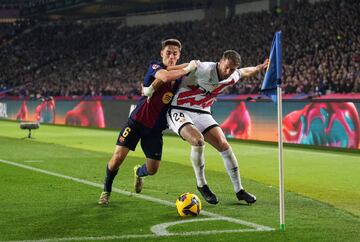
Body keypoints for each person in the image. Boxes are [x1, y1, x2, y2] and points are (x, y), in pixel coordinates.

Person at [145, 50, 268, 204]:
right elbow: (170, 72)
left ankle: (239, 190)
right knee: (198, 141)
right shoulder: (203, 68)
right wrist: (149, 88)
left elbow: (244, 72)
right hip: (179, 109)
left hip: (202, 111)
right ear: (221, 61)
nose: (228, 72)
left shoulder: (232, 75)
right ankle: (202, 184)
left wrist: (260, 67)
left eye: (232, 69)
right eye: (227, 67)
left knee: (224, 145)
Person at [98, 39, 198, 205]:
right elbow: (165, 75)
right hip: (136, 123)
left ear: (179, 55)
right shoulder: (154, 67)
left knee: (152, 169)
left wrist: (193, 65)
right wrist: (188, 67)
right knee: (117, 158)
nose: (171, 56)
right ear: (161, 54)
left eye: (175, 53)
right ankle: (106, 190)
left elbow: (182, 70)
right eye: (168, 53)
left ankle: (138, 172)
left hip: (155, 129)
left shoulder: (180, 77)